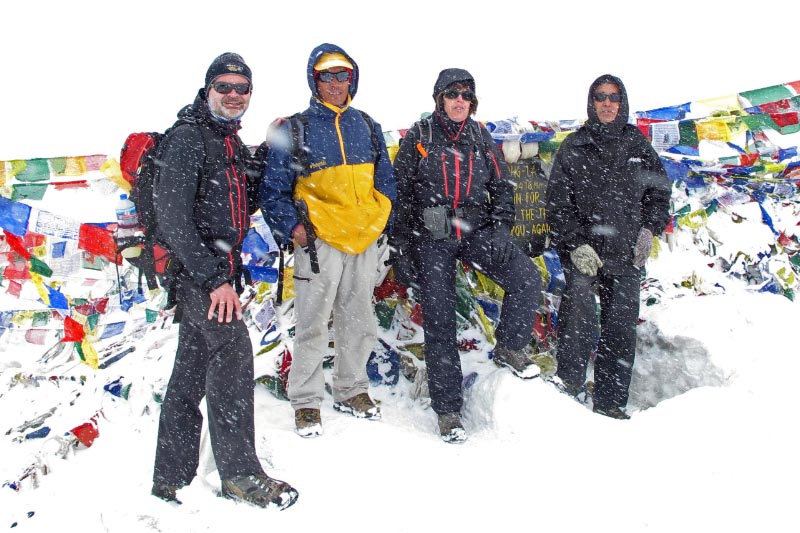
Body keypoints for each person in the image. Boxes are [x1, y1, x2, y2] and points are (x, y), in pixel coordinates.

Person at [151, 53, 298, 509]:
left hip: (212, 272)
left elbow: (244, 197)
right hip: (201, 274)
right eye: (225, 87)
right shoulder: (188, 139)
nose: (234, 95)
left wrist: (273, 148)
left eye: (242, 89)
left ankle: (169, 479)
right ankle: (240, 475)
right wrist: (214, 278)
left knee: (189, 376)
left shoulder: (227, 141)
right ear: (208, 89)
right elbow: (173, 219)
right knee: (234, 357)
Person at [391, 68, 542, 443]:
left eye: (466, 95)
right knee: (440, 320)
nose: (460, 100)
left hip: (475, 228)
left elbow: (502, 186)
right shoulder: (420, 137)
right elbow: (399, 197)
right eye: (452, 94)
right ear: (439, 98)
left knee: (526, 277)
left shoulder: (480, 136)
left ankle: (509, 347)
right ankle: (448, 410)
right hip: (432, 235)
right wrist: (403, 248)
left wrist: (504, 225)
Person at [260, 44, 396, 438]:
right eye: (327, 76)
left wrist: (382, 217)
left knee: (360, 320)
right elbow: (273, 189)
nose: (336, 83)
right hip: (318, 242)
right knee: (313, 323)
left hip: (364, 239)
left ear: (352, 78)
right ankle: (305, 400)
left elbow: (385, 179)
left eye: (342, 75)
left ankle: (351, 390)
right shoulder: (295, 128)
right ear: (313, 79)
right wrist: (293, 229)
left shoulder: (366, 125)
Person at [545, 74, 671, 420]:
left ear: (623, 102)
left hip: (626, 253)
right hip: (584, 252)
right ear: (591, 102)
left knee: (620, 328)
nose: (607, 103)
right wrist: (575, 244)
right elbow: (557, 202)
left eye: (613, 97)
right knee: (579, 319)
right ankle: (568, 392)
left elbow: (659, 193)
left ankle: (610, 404)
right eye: (600, 96)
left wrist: (649, 229)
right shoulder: (575, 146)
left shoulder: (637, 145)